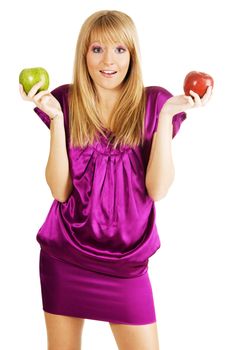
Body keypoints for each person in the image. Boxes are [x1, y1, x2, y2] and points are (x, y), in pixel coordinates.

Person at [19, 9, 212, 350]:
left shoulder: (155, 103)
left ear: (132, 55)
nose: (108, 60)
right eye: (97, 49)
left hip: (127, 264)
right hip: (66, 256)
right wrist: (57, 121)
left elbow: (158, 189)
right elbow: (60, 190)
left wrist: (168, 116)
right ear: (84, 54)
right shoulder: (64, 100)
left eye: (119, 49)